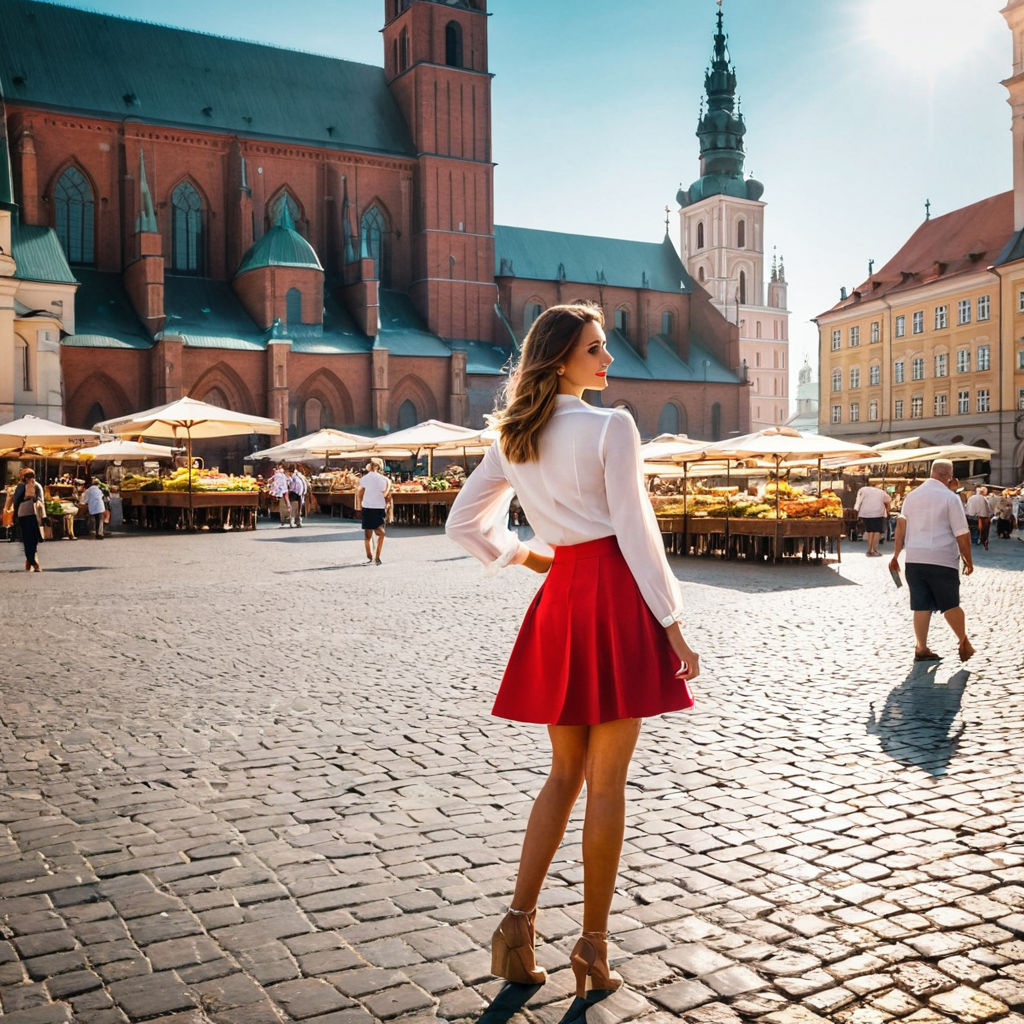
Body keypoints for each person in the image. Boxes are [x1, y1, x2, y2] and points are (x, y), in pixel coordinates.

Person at [446, 302, 699, 999]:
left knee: (563, 775)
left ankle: (517, 928)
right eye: (596, 349)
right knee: (606, 781)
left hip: (559, 600)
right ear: (561, 358)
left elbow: (462, 523)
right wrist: (673, 621)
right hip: (615, 595)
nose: (608, 361)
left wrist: (526, 558)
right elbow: (635, 531)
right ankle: (592, 947)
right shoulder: (611, 426)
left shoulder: (514, 435)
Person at [889, 459, 975, 663]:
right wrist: (968, 560)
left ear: (932, 473)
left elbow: (901, 527)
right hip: (941, 558)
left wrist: (895, 555)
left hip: (915, 560)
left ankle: (921, 648)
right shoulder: (949, 498)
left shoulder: (912, 496)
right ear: (949, 476)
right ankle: (963, 641)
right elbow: (962, 534)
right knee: (950, 604)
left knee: (921, 605)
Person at [5, 469, 44, 571]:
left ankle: (29, 560)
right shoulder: (23, 486)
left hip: (30, 513)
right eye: (30, 476)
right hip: (26, 514)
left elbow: (18, 500)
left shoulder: (32, 486)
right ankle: (33, 563)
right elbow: (17, 500)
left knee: (33, 538)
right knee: (29, 539)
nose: (32, 478)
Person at [358, 457, 391, 564]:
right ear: (378, 467)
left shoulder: (364, 478)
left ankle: (370, 555)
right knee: (381, 533)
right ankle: (376, 557)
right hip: (378, 508)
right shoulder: (383, 479)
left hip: (367, 507)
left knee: (368, 535)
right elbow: (385, 493)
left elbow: (360, 493)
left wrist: (360, 504)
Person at [853, 480, 891, 556]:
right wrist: (888, 511)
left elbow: (858, 501)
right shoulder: (881, 492)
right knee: (877, 531)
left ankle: (869, 549)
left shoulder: (863, 490)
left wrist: (856, 510)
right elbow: (888, 500)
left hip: (866, 513)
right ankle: (875, 550)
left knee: (870, 531)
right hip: (877, 513)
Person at [965, 485, 991, 550]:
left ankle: (973, 540)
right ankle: (977, 540)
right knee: (979, 529)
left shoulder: (971, 498)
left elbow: (967, 507)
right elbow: (988, 508)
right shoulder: (984, 499)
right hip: (981, 517)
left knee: (972, 528)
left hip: (970, 516)